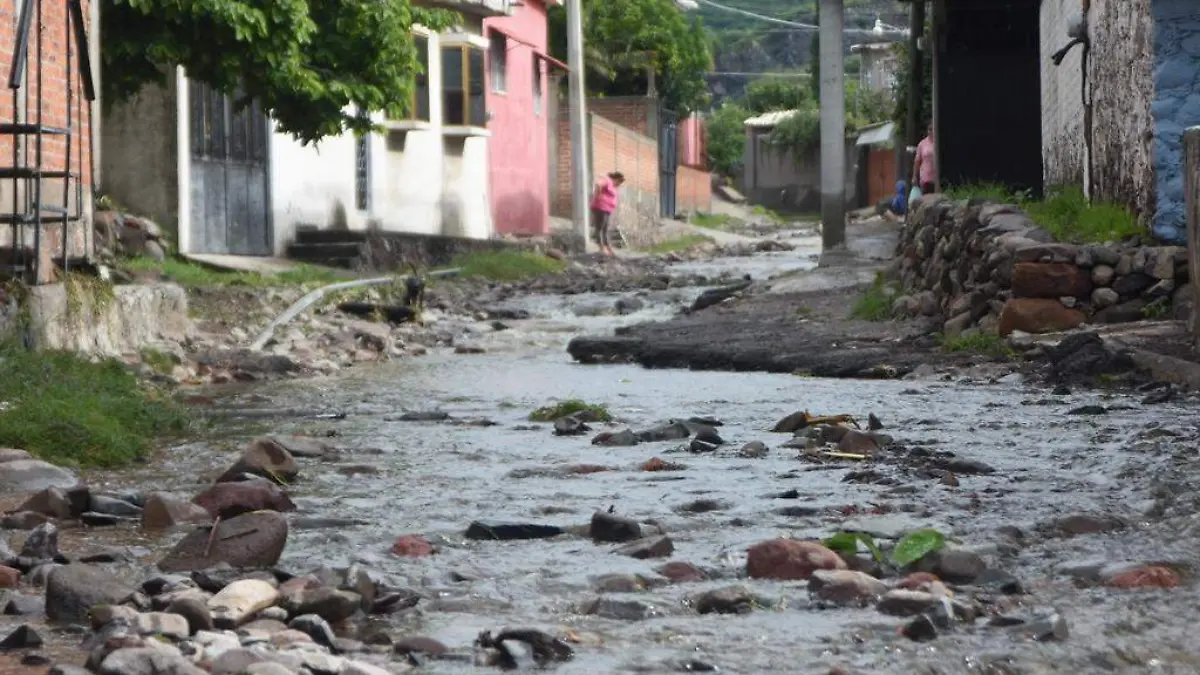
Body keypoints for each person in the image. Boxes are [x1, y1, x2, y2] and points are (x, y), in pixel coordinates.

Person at [590, 171, 625, 257]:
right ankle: (602, 247)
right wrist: (598, 196)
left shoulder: (613, 186)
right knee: (600, 228)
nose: (619, 184)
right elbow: (598, 184)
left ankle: (607, 247)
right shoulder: (607, 180)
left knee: (605, 229)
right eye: (619, 182)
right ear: (616, 179)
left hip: (606, 209)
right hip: (600, 208)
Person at [911, 123, 937, 196]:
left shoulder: (938, 142)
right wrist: (914, 176)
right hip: (926, 178)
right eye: (929, 129)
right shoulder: (922, 144)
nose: (931, 131)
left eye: (933, 129)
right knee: (927, 198)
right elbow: (917, 161)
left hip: (937, 177)